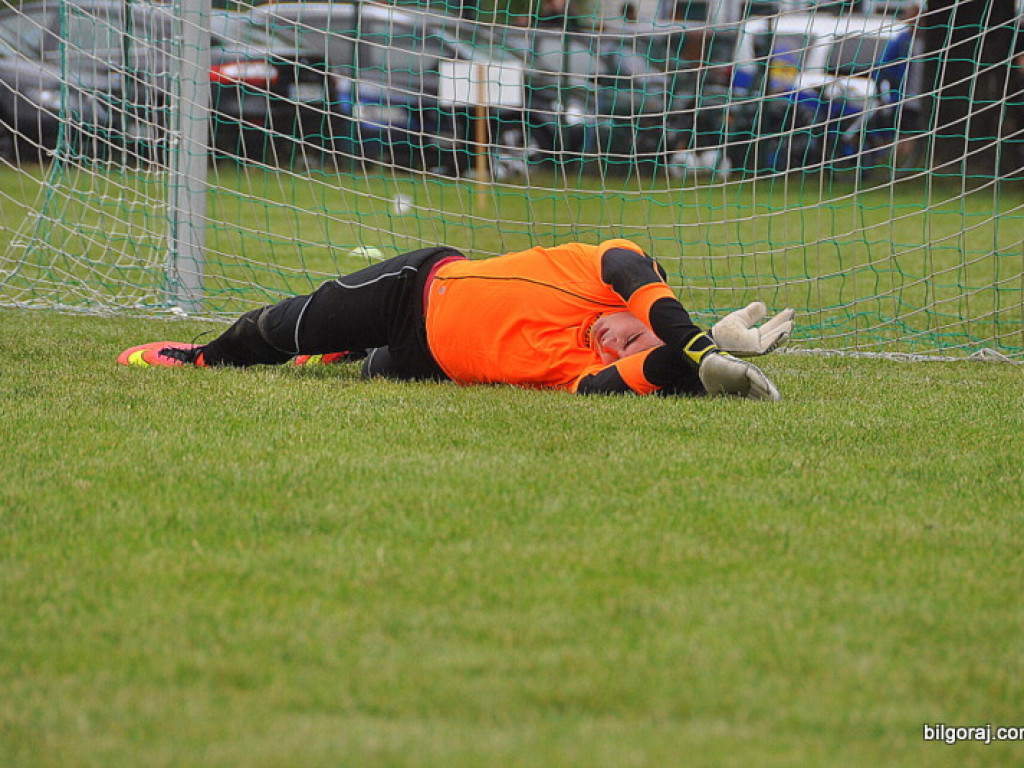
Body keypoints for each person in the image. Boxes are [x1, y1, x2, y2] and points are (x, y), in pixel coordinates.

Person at [118, 240, 794, 400]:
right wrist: (700, 345)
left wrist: (709, 366)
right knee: (281, 329)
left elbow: (643, 374)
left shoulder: (590, 372)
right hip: (414, 293)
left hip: (430, 362)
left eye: (628, 347)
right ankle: (201, 357)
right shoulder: (609, 269)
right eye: (632, 326)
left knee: (374, 366)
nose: (616, 340)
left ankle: (346, 355)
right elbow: (640, 287)